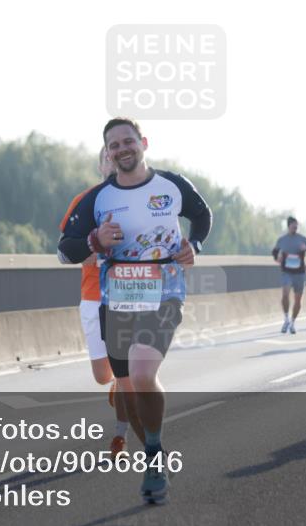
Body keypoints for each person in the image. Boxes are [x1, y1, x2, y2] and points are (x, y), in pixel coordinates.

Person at [58, 118, 212, 505]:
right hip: (117, 297)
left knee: (143, 373)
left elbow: (202, 215)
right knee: (127, 388)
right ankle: (154, 456)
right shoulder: (98, 198)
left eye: (128, 141)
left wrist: (194, 245)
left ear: (143, 142)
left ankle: (154, 458)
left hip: (164, 289)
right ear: (108, 153)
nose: (122, 149)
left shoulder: (172, 185)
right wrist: (94, 239)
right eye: (114, 145)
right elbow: (65, 250)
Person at [59, 148, 136, 460]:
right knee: (103, 376)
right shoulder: (85, 201)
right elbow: (66, 249)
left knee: (127, 369)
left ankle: (120, 437)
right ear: (101, 165)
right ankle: (117, 383)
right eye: (106, 157)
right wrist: (89, 250)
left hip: (129, 295)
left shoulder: (140, 201)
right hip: (93, 296)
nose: (112, 162)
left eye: (116, 155)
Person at [272, 216, 306, 334]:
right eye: (293, 226)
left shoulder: (303, 239)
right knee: (285, 294)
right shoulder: (282, 240)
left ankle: (292, 322)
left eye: (297, 226)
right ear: (288, 226)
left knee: (298, 300)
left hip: (299, 273)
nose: (295, 228)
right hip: (286, 272)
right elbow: (275, 251)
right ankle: (286, 318)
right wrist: (277, 258)